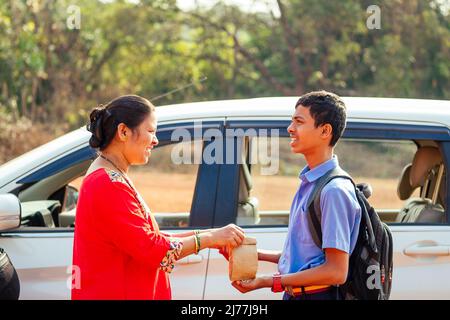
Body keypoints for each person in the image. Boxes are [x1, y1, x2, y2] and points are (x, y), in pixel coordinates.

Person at [71, 94, 245, 300]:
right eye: (151, 131)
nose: (155, 140)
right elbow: (154, 250)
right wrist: (208, 238)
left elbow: (149, 240)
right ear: (123, 131)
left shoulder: (112, 176)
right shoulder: (106, 183)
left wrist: (213, 236)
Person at [226, 90, 361, 300]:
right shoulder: (311, 183)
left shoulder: (333, 191)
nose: (290, 129)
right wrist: (251, 253)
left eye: (299, 122)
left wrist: (269, 281)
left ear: (325, 131)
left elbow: (336, 271)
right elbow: (304, 258)